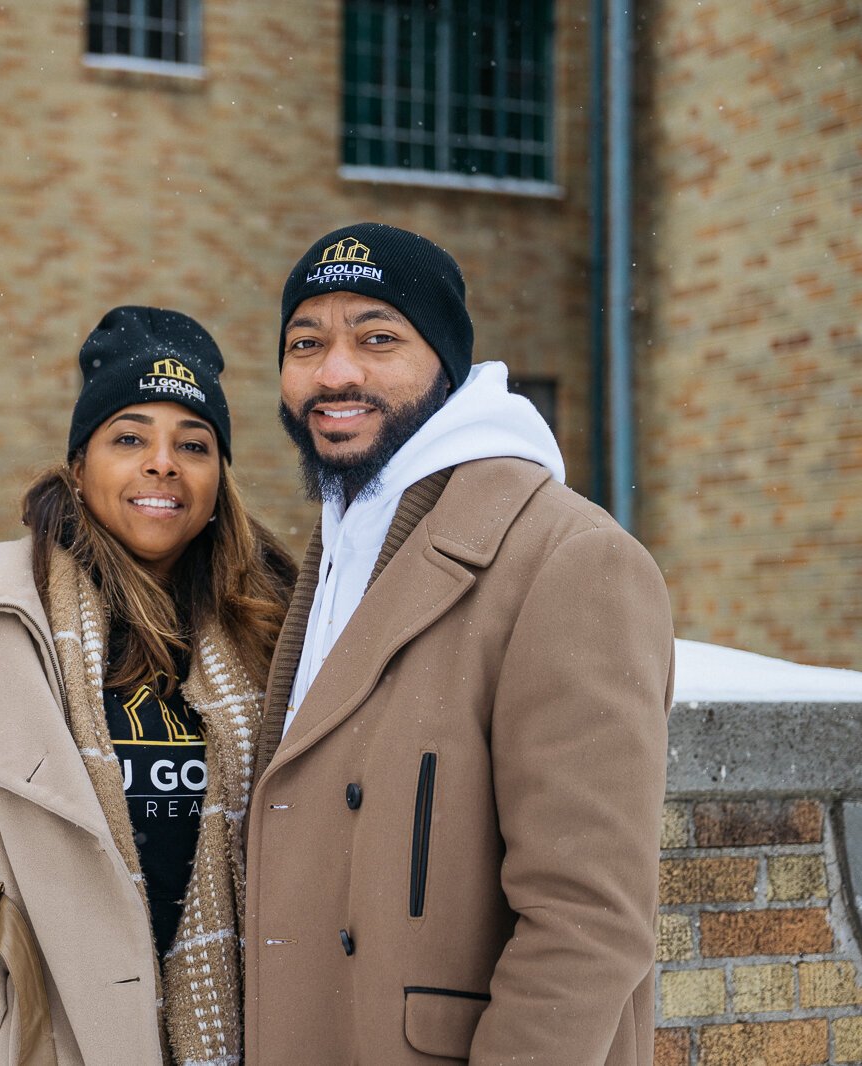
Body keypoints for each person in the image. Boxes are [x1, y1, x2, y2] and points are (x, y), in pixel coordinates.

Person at [0, 306, 296, 1066]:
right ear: (78, 466)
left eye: (192, 444)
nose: (162, 462)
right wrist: (1, 1032)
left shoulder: (278, 636)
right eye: (129, 437)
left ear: (217, 477)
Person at [244, 223, 674, 1065]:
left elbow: (588, 922)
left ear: (445, 365)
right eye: (306, 342)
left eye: (377, 337)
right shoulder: (343, 544)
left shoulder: (570, 560)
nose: (335, 372)